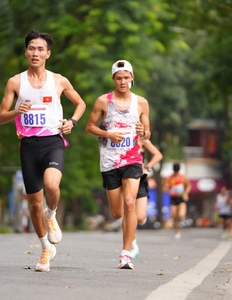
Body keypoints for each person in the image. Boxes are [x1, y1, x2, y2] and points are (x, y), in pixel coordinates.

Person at [0, 30, 86, 272]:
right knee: (34, 204)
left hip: (53, 142)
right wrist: (17, 111)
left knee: (52, 185)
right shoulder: (15, 82)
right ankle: (45, 247)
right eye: (31, 48)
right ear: (26, 52)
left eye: (40, 49)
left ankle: (52, 213)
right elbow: (1, 117)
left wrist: (72, 122)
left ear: (48, 53)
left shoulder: (59, 80)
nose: (35, 53)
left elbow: (80, 103)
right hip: (28, 146)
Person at [85, 59, 151, 270]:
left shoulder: (141, 103)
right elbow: (89, 127)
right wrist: (108, 134)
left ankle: (125, 253)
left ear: (132, 78)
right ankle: (128, 230)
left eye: (126, 77)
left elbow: (147, 132)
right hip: (109, 161)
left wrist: (143, 132)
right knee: (117, 212)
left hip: (132, 159)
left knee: (131, 202)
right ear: (113, 79)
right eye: (119, 78)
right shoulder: (103, 101)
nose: (123, 81)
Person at [130, 138, 163, 259]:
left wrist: (147, 167)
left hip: (141, 179)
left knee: (139, 217)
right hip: (126, 179)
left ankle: (141, 218)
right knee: (129, 211)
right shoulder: (120, 135)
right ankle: (133, 245)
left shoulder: (141, 140)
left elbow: (158, 155)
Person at [164, 162, 191, 239]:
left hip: (181, 198)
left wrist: (186, 193)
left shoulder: (183, 177)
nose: (176, 172)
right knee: (174, 216)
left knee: (181, 214)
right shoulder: (169, 178)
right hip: (173, 199)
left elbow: (189, 185)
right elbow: (164, 188)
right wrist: (169, 190)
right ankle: (177, 231)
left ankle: (184, 219)